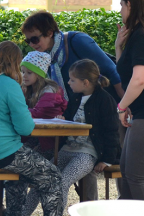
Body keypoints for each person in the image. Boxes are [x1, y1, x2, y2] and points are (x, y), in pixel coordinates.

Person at [22, 10, 123, 201]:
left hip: (107, 110)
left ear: (50, 32)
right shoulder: (47, 58)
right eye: (28, 41)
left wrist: (124, 104)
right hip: (79, 115)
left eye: (35, 39)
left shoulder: (77, 41)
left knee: (121, 159)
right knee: (85, 159)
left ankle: (125, 204)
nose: (32, 45)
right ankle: (88, 208)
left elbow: (111, 70)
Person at [0, 41, 63, 216]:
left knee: (20, 176)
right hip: (0, 152)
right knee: (53, 177)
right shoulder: (8, 84)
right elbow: (25, 128)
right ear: (14, 62)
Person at [23, 59, 119, 215]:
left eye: (72, 80)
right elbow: (68, 117)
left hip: (88, 153)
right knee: (41, 180)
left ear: (85, 82)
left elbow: (112, 131)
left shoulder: (104, 100)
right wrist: (62, 119)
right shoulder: (75, 98)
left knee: (62, 181)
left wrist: (106, 159)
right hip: (68, 149)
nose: (68, 82)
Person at [115, 0, 144, 200]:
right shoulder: (136, 36)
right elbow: (127, 76)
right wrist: (118, 47)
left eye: (121, 5)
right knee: (126, 172)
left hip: (141, 114)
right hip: (138, 113)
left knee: (134, 175)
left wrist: (121, 106)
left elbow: (139, 80)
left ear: (130, 4)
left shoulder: (141, 36)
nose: (120, 10)